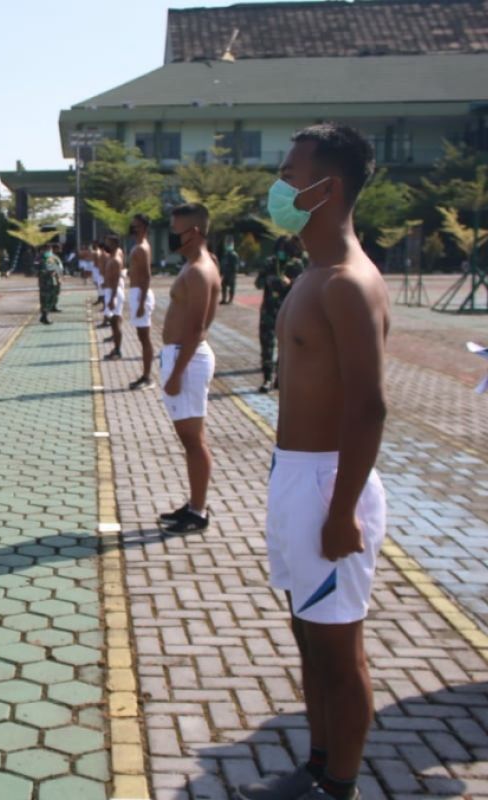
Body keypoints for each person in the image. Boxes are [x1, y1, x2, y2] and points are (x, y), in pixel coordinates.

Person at [238, 124, 387, 800]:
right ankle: (318, 762)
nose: (279, 184)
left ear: (326, 188)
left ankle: (341, 785)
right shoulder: (312, 276)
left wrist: (342, 510)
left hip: (331, 482)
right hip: (298, 476)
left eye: (289, 172)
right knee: (308, 635)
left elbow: (370, 408)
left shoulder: (347, 285)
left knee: (338, 645)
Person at [156, 203, 221, 535]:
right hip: (182, 355)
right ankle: (194, 503)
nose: (171, 234)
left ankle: (197, 511)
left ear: (193, 232)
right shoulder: (198, 265)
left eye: (175, 228)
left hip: (188, 358)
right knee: (190, 438)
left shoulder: (199, 270)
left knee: (193, 439)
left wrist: (178, 372)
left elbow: (197, 328)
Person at [256, 235, 306, 393]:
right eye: (280, 249)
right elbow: (258, 282)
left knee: (285, 346)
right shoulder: (270, 262)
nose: (282, 253)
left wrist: (290, 282)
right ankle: (267, 379)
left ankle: (280, 377)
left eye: (285, 250)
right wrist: (270, 279)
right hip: (268, 311)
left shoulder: (297, 264)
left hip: (288, 312)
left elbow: (303, 286)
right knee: (267, 346)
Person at [127, 215, 156, 388]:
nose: (133, 228)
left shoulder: (143, 248)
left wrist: (141, 302)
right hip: (136, 292)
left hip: (141, 294)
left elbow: (146, 276)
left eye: (137, 226)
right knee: (141, 336)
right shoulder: (137, 246)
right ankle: (145, 375)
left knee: (145, 337)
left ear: (144, 227)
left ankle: (147, 377)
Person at [101, 235, 125, 359]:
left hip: (114, 292)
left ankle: (118, 350)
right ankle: (116, 348)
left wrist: (112, 299)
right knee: (114, 322)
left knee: (116, 322)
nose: (106, 245)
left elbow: (116, 280)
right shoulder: (111, 257)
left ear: (115, 244)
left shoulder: (116, 259)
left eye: (108, 243)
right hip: (110, 290)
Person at [37, 241, 60, 325]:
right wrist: (48, 272)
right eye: (49, 249)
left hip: (51, 280)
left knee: (51, 298)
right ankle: (44, 316)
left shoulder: (50, 257)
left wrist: (55, 273)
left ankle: (45, 315)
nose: (50, 251)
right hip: (45, 281)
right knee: (45, 299)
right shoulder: (41, 257)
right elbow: (39, 269)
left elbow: (55, 266)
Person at [220, 235, 240, 305]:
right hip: (226, 273)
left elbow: (235, 266)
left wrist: (233, 273)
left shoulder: (234, 255)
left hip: (231, 274)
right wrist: (222, 272)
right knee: (223, 285)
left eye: (229, 243)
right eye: (226, 243)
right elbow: (223, 264)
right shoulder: (225, 254)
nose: (227, 244)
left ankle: (230, 300)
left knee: (232, 287)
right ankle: (224, 299)